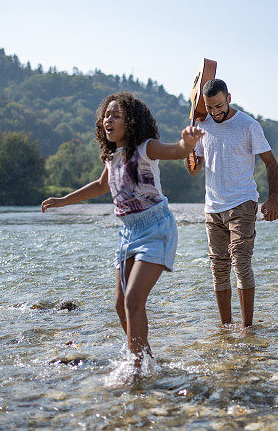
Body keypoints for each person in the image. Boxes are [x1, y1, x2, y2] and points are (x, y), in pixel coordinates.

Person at [41, 92, 203, 369]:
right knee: (120, 304)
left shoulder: (146, 148)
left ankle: (136, 366)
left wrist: (187, 143)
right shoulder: (112, 157)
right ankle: (145, 358)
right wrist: (63, 200)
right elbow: (101, 186)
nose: (109, 120)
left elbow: (176, 151)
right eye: (106, 115)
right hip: (128, 233)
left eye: (116, 115)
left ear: (131, 122)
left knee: (133, 298)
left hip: (155, 228)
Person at [185, 78, 278, 327]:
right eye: (210, 107)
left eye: (219, 105)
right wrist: (189, 145)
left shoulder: (248, 125)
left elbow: (271, 162)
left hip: (243, 203)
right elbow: (193, 170)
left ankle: (247, 328)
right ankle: (226, 328)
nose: (215, 112)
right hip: (212, 207)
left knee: (240, 261)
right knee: (218, 268)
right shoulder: (203, 126)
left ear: (229, 97)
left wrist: (273, 198)